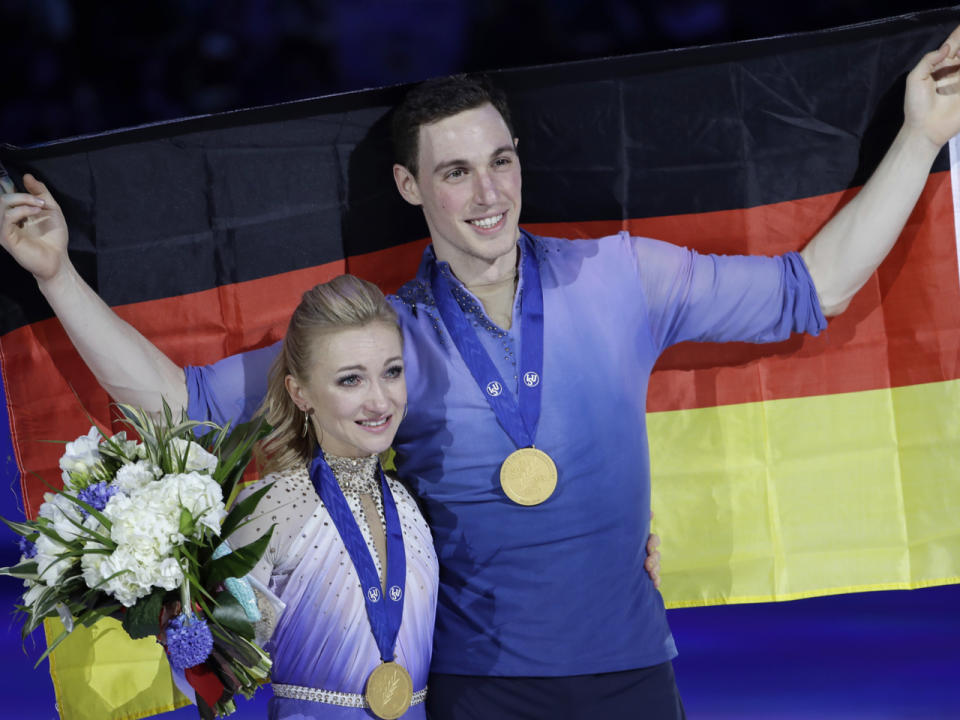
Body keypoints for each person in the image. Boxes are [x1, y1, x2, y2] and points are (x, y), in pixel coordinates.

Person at [3, 25, 960, 719]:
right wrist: (55, 274)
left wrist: (920, 134)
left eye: (499, 161)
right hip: (474, 690)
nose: (488, 192)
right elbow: (178, 404)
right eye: (455, 172)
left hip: (634, 675)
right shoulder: (383, 342)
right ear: (410, 187)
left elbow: (815, 287)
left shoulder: (626, 276)